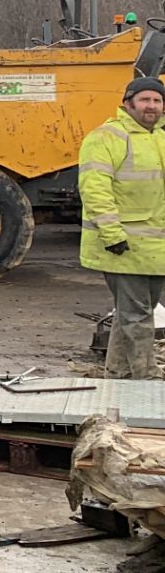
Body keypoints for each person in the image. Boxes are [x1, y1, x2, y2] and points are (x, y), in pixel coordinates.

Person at [79, 76, 165, 378]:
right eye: (145, 100)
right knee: (137, 315)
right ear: (128, 104)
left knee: (131, 313)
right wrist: (112, 234)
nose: (151, 106)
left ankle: (118, 375)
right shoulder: (106, 137)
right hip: (122, 245)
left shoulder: (161, 139)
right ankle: (147, 377)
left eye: (156, 100)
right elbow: (94, 190)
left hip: (155, 250)